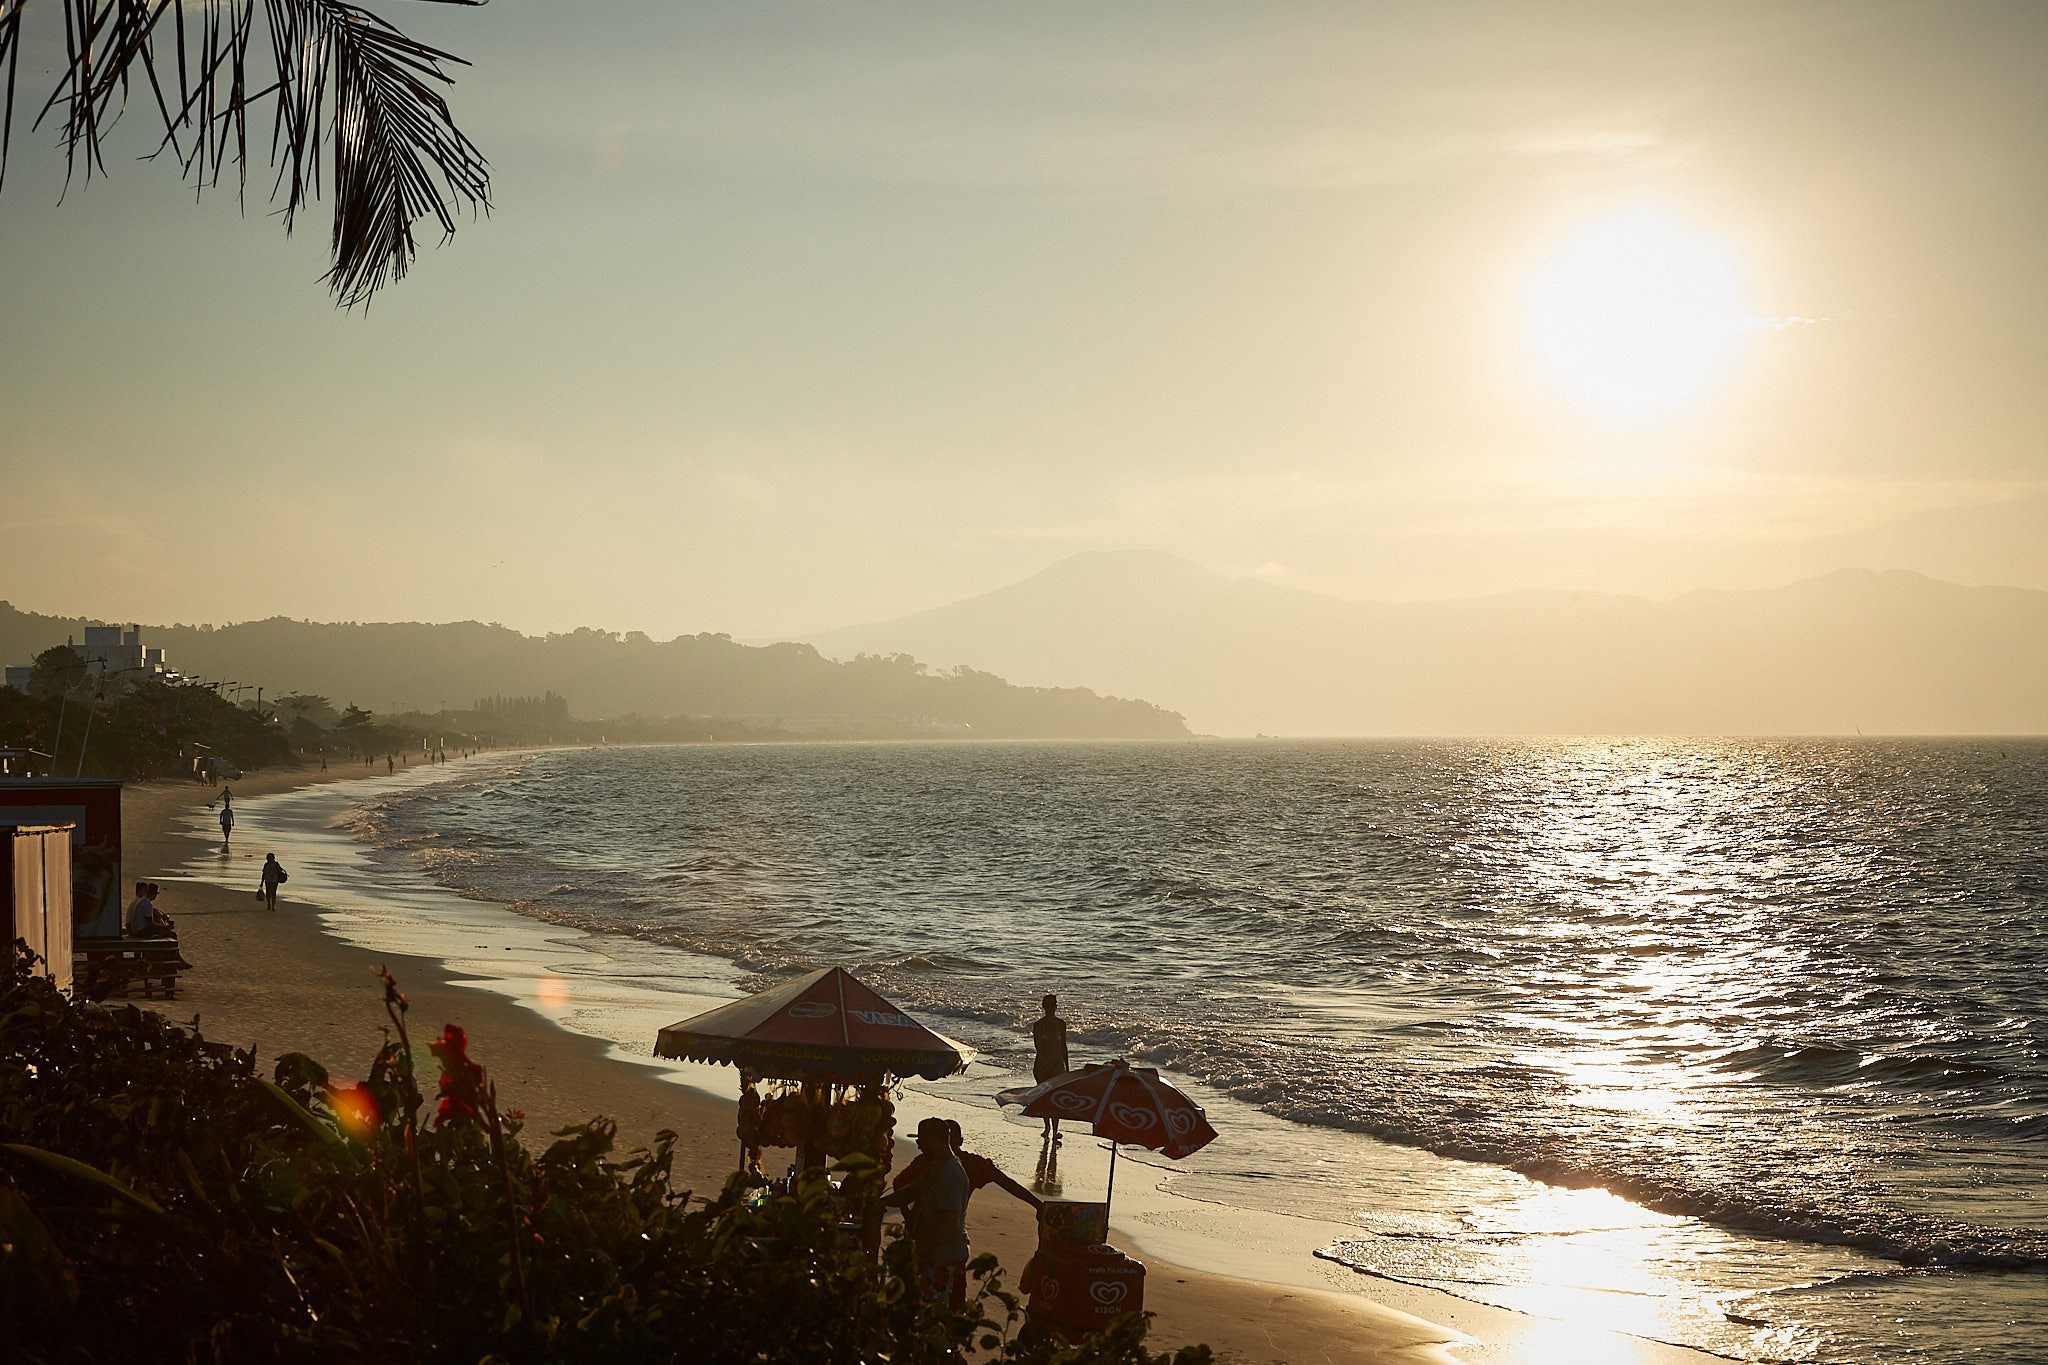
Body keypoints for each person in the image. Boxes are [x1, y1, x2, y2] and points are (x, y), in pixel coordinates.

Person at [883, 1118, 972, 1307]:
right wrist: (880, 1203)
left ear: (933, 1140)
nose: (919, 1147)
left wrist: (918, 1251)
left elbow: (948, 1225)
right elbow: (913, 1191)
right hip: (932, 1252)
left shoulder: (949, 1173)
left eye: (921, 1142)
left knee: (931, 1308)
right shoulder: (937, 1167)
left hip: (942, 1255)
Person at [1032, 993, 1070, 1143]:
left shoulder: (1061, 1024)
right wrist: (1047, 1063)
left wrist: (1067, 1066)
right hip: (1042, 1066)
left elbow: (1063, 1046)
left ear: (1056, 1007)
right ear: (1043, 1007)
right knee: (1044, 1098)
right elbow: (1038, 1048)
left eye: (1052, 1005)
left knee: (1056, 1099)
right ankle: (1047, 1126)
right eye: (1047, 1006)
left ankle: (1055, 1131)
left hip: (1058, 1065)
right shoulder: (1039, 1025)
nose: (1050, 1008)